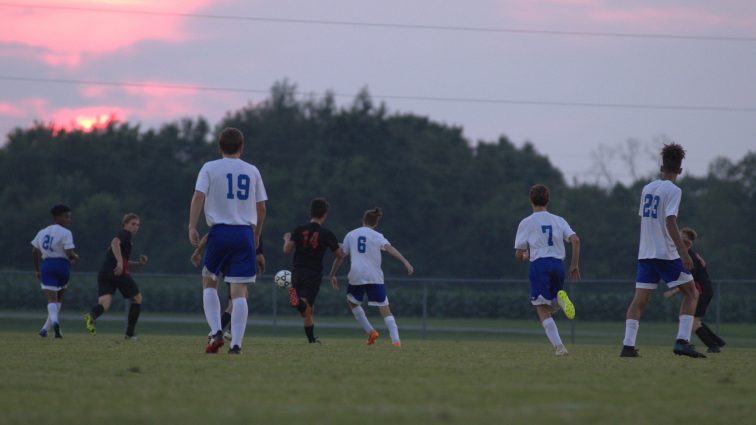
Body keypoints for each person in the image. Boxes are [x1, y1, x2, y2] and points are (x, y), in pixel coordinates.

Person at [620, 143, 705, 358]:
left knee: (639, 301)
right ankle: (682, 341)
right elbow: (670, 221)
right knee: (691, 293)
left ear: (661, 167)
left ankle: (628, 346)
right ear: (680, 170)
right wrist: (684, 253)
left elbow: (646, 219)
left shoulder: (647, 188)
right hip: (665, 254)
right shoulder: (674, 190)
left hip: (645, 254)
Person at [188, 127, 267, 355]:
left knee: (209, 281)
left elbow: (198, 196)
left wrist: (192, 226)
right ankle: (236, 345)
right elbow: (261, 207)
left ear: (219, 147)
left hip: (219, 233)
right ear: (241, 148)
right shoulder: (252, 170)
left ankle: (215, 332)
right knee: (239, 292)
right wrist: (257, 233)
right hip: (244, 233)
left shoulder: (209, 168)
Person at [329, 207, 414, 347]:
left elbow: (341, 256)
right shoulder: (377, 235)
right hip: (374, 275)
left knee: (353, 303)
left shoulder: (351, 234)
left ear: (363, 220)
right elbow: (389, 248)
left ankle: (371, 331)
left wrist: (332, 274)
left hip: (356, 273)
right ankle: (396, 340)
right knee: (384, 307)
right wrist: (406, 262)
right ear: (376, 223)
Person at [514, 184, 580, 356]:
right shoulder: (559, 220)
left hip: (539, 265)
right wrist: (574, 264)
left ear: (531, 200)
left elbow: (519, 253)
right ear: (548, 200)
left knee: (542, 309)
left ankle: (560, 348)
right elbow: (576, 240)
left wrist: (525, 256)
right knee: (550, 303)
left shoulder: (527, 222)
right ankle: (559, 299)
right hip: (558, 265)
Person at [283, 197, 344, 343]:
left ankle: (311, 340)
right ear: (325, 215)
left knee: (307, 310)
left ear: (311, 212)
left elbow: (287, 250)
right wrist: (338, 247)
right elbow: (339, 255)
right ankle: (294, 300)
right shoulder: (326, 234)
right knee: (305, 308)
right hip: (313, 275)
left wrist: (286, 239)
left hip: (297, 272)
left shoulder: (299, 229)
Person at [83, 213, 148, 340]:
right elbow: (115, 242)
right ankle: (130, 334)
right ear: (125, 224)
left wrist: (138, 264)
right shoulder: (125, 234)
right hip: (117, 272)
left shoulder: (126, 240)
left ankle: (91, 316)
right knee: (137, 298)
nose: (136, 227)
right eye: (133, 224)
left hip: (104, 272)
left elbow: (121, 260)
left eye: (138, 225)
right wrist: (119, 263)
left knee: (104, 304)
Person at [191, 233, 266, 342]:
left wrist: (197, 251)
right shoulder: (250, 224)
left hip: (220, 251)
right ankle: (220, 333)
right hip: (237, 257)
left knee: (234, 299)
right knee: (240, 297)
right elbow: (257, 245)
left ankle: (218, 331)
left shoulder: (223, 223)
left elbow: (210, 233)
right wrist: (260, 260)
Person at [662, 227, 726, 353]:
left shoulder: (690, 257)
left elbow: (689, 281)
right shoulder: (691, 254)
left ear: (687, 241)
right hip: (703, 290)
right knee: (693, 319)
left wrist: (673, 292)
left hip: (702, 291)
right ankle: (717, 342)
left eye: (681, 236)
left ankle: (714, 346)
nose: (677, 238)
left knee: (693, 321)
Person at [31, 204, 79, 338]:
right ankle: (45, 329)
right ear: (57, 217)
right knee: (58, 299)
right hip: (63, 267)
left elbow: (34, 251)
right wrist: (75, 257)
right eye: (66, 217)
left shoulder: (42, 232)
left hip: (47, 265)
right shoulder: (66, 232)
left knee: (52, 300)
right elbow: (69, 252)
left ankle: (55, 323)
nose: (69, 220)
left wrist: (37, 269)